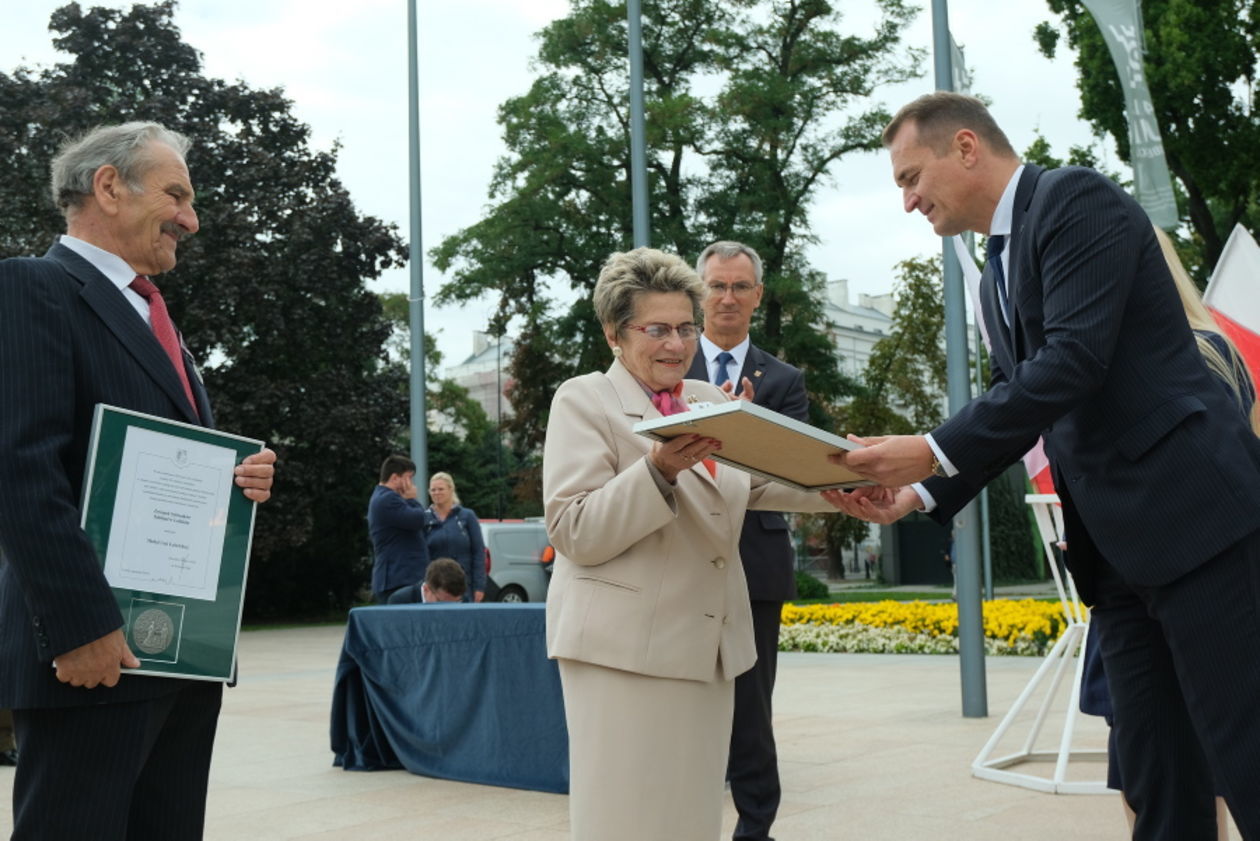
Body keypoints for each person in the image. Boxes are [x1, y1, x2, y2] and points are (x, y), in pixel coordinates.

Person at [826, 92, 1260, 840]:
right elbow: (1015, 396)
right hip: (1118, 562)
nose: (907, 201)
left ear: (965, 147)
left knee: (1248, 759)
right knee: (1158, 777)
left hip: (1199, 531)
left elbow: (1072, 362)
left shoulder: (1075, 199)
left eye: (909, 177)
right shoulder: (997, 263)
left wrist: (929, 445)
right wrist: (920, 489)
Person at [0, 122, 277, 841]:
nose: (191, 217)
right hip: (93, 658)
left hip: (178, 658)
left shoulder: (159, 320)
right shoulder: (34, 287)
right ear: (109, 186)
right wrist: (80, 625)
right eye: (177, 195)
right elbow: (20, 466)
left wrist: (235, 478)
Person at [543, 246, 849, 841]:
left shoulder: (708, 403)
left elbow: (768, 479)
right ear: (614, 332)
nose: (676, 344)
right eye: (656, 329)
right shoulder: (583, 400)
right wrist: (656, 470)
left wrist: (855, 482)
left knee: (688, 819)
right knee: (626, 820)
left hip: (706, 650)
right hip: (621, 657)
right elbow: (573, 529)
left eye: (686, 327)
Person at [1079, 223, 1258, 837]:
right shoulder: (1216, 348)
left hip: (1155, 570)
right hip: (1169, 573)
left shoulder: (1184, 353)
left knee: (1154, 766)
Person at [686, 240, 806, 841]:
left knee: (751, 710)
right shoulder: (666, 370)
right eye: (716, 285)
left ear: (757, 296)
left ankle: (756, 828)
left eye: (740, 287)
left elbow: (792, 471)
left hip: (754, 566)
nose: (727, 297)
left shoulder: (783, 381)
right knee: (683, 704)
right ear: (699, 292)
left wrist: (748, 432)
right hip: (680, 561)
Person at [367, 454, 430, 604]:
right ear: (395, 478)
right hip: (398, 579)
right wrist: (412, 500)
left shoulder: (384, 497)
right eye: (409, 477)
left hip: (399, 577)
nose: (411, 484)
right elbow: (419, 520)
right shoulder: (388, 499)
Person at [424, 472, 487, 603]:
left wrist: (479, 586)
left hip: (464, 586)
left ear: (451, 489)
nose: (436, 493)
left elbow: (478, 552)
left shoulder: (467, 516)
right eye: (433, 490)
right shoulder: (424, 518)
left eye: (440, 489)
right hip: (436, 589)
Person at [386, 557, 468, 604]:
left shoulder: (465, 602)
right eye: (443, 603)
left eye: (457, 602)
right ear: (426, 589)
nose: (452, 609)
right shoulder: (401, 602)